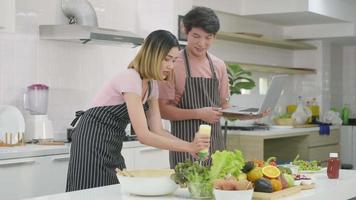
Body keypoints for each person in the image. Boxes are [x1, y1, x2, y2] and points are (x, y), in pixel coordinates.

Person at [66, 30, 210, 192]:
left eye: (174, 60)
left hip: (112, 142)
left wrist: (191, 146)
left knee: (115, 190)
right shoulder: (130, 78)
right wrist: (189, 147)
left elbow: (157, 130)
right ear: (152, 55)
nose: (170, 66)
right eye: (166, 59)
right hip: (90, 140)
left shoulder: (151, 85)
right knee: (91, 192)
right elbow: (144, 136)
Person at [158, 7, 266, 168]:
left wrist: (249, 115)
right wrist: (199, 113)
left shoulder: (218, 65)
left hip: (216, 147)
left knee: (218, 190)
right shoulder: (173, 64)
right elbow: (163, 111)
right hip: (185, 147)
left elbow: (224, 107)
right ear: (185, 31)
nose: (202, 43)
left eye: (208, 38)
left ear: (214, 37)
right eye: (196, 36)